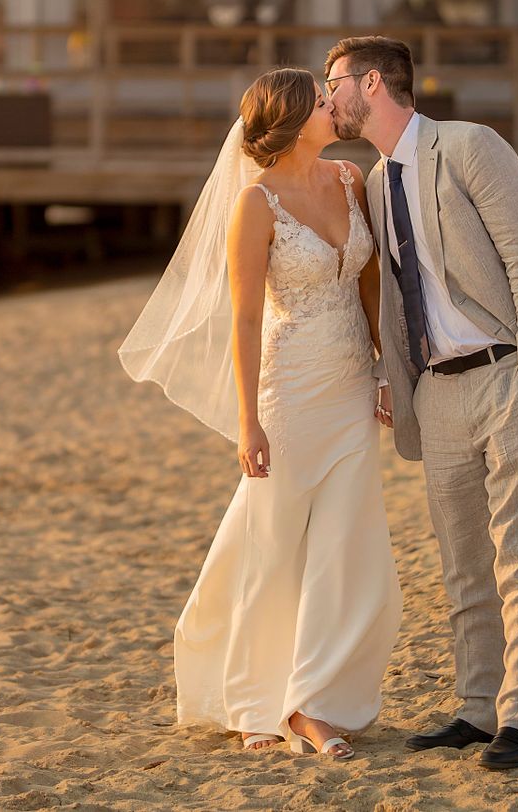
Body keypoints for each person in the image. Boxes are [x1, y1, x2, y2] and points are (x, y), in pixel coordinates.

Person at [323, 36, 518, 770]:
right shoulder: (375, 179)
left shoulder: (469, 146)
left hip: (511, 375)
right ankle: (479, 709)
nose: (328, 97)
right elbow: (394, 294)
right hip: (439, 392)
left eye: (333, 83)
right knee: (462, 567)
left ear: (372, 82)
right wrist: (398, 378)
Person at [119, 67, 402, 760]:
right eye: (320, 99)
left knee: (346, 549)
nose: (334, 105)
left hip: (350, 388)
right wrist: (249, 423)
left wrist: (385, 369)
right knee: (274, 547)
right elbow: (245, 318)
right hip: (289, 391)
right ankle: (253, 702)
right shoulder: (255, 204)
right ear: (291, 119)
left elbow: (368, 284)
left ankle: (313, 705)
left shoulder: (348, 181)